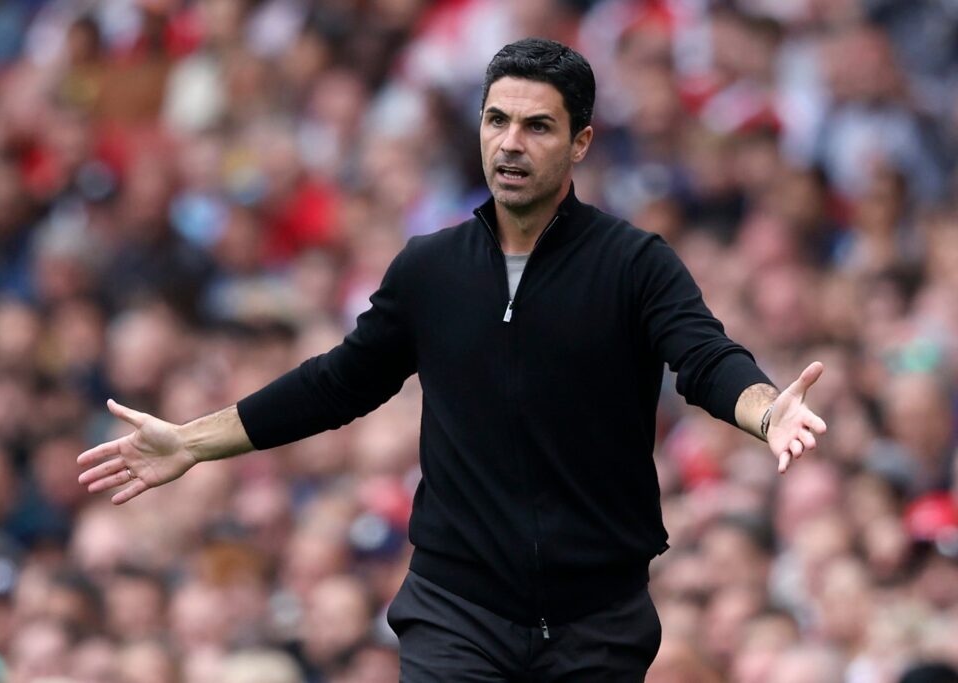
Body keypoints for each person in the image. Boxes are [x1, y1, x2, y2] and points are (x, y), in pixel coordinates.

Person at [77, 38, 827, 682]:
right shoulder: (430, 268)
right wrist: (190, 441)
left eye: (538, 126)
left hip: (598, 618)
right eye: (497, 120)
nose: (510, 143)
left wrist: (766, 409)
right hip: (455, 610)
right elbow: (338, 382)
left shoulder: (635, 264)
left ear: (582, 143)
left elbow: (703, 358)